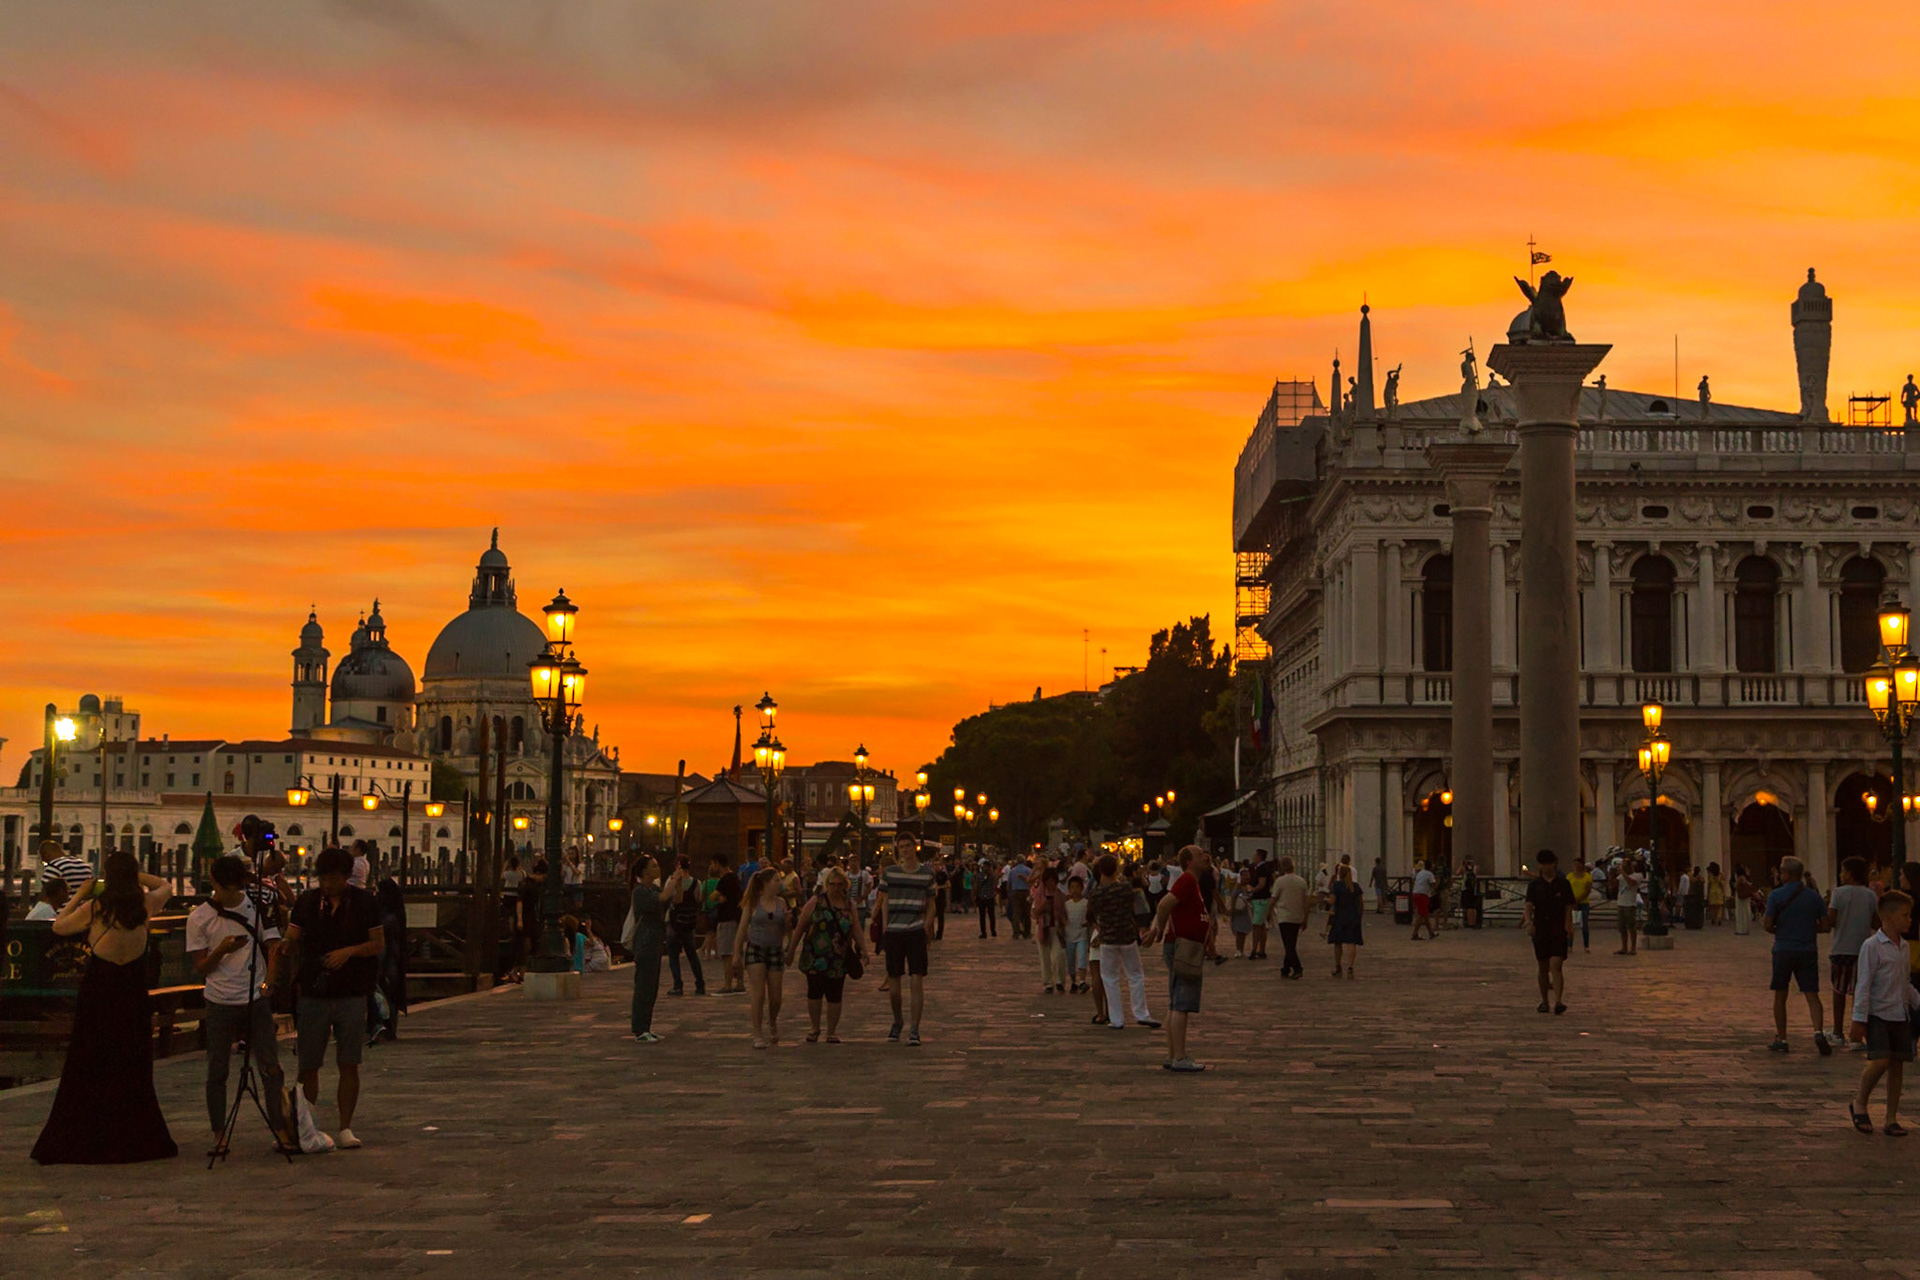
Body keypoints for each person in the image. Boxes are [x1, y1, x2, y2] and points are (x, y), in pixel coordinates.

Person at [31, 851, 178, 1165]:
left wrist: (81, 893)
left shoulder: (97, 907)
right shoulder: (145, 904)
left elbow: (60, 927)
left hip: (101, 985)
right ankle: (132, 1131)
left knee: (91, 1058)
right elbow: (166, 886)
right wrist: (135, 875)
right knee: (132, 1057)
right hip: (132, 985)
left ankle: (90, 1131)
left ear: (109, 877)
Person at [188, 854, 292, 1156]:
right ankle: (219, 1134)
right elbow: (201, 967)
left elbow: (274, 946)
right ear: (216, 883)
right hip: (219, 998)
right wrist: (221, 949)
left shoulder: (258, 908)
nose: (232, 894)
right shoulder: (200, 918)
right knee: (217, 1068)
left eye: (237, 888)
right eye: (227, 888)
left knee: (270, 1065)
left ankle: (280, 1127)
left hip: (255, 996)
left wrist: (268, 983)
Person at [280, 845, 384, 1149]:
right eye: (323, 879)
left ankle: (345, 1127)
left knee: (349, 1061)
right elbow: (293, 937)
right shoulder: (308, 902)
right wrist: (286, 946)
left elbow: (377, 943)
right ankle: (305, 1127)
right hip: (314, 990)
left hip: (352, 990)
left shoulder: (364, 902)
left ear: (347, 876)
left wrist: (348, 952)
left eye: (334, 879)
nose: (327, 885)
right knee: (308, 1063)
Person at [1848, 890, 1920, 1135]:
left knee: (1897, 1065)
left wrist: (1916, 1001)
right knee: (1880, 1060)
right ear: (1888, 917)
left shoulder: (1904, 947)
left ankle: (1891, 1117)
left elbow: (1905, 982)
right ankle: (1860, 1102)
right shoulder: (1872, 946)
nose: (1910, 920)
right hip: (1878, 1013)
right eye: (1905, 915)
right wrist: (1858, 1019)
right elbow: (1864, 984)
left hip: (1900, 1014)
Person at [1146, 845, 1211, 1072]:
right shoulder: (1187, 881)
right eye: (1200, 855)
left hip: (1185, 947)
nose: (1205, 857)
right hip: (1183, 948)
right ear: (1189, 862)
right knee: (1181, 1004)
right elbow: (1164, 904)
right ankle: (1180, 1057)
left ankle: (1174, 1054)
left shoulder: (1191, 882)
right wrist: (1158, 930)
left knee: (1176, 1003)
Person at [1764, 855, 1831, 1054]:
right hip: (1807, 949)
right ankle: (1818, 1031)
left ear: (1786, 874)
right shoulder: (1813, 897)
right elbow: (1826, 926)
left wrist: (1781, 929)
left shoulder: (1776, 896)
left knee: (1780, 995)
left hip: (1783, 949)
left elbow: (1767, 924)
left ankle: (1782, 1038)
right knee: (1812, 995)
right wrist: (1808, 928)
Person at [789, 866, 865, 1043]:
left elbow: (856, 929)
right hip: (815, 955)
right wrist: (791, 950)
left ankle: (831, 1031)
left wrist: (864, 949)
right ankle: (814, 1028)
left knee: (835, 994)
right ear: (826, 884)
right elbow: (801, 926)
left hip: (838, 956)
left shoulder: (849, 905)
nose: (836, 888)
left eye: (840, 884)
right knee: (814, 991)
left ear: (845, 885)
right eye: (832, 884)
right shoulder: (816, 901)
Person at [875, 836, 937, 1045]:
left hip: (915, 930)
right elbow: (884, 900)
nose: (904, 850)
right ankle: (898, 1020)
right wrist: (885, 926)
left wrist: (927, 924)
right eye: (901, 847)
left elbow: (931, 902)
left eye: (908, 846)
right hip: (894, 930)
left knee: (917, 978)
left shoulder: (927, 874)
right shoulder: (890, 873)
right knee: (894, 984)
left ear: (914, 848)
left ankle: (914, 1029)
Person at [1090, 854, 1156, 1030]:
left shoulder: (1096, 893)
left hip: (1107, 938)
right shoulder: (1125, 888)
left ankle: (1116, 1019)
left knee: (1110, 978)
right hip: (1127, 935)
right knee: (1135, 975)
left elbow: (1094, 914)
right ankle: (1141, 1013)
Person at [733, 868, 788, 1048]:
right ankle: (757, 1033)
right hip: (756, 949)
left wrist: (790, 944)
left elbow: (787, 928)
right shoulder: (753, 903)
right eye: (776, 880)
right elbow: (742, 928)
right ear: (766, 883)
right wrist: (736, 953)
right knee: (758, 993)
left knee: (776, 996)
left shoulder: (781, 903)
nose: (779, 883)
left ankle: (772, 1021)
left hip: (775, 950)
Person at [1828, 856, 1878, 1050]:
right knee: (1861, 993)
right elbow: (1876, 922)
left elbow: (1831, 920)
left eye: (1842, 871)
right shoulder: (1870, 895)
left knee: (1839, 991)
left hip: (1841, 948)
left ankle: (1838, 1032)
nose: (1840, 875)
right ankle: (1857, 1035)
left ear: (1849, 873)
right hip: (1863, 949)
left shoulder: (1838, 893)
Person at [1524, 850, 1576, 1015]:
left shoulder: (1563, 884)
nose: (1546, 867)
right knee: (1543, 966)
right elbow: (1528, 906)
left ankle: (1559, 1001)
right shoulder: (1534, 885)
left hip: (1558, 928)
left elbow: (1568, 906)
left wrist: (1569, 925)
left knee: (1556, 964)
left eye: (1549, 863)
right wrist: (1529, 922)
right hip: (1541, 928)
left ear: (1554, 863)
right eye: (1543, 864)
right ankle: (1544, 1000)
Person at [628, 856, 668, 1041]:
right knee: (643, 985)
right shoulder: (640, 892)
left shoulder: (655, 889)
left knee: (652, 986)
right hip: (645, 941)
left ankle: (646, 1026)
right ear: (644, 871)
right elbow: (662, 898)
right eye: (654, 866)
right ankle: (639, 1028)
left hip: (656, 940)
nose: (657, 868)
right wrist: (673, 882)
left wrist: (678, 882)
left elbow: (672, 899)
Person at [662, 856, 706, 997]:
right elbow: (698, 899)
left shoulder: (672, 880)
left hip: (674, 921)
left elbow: (671, 898)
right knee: (692, 954)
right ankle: (700, 984)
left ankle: (678, 985)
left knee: (673, 955)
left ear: (677, 865)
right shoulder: (696, 883)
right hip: (689, 921)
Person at [1271, 856, 1310, 979]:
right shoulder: (1301, 882)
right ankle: (1285, 968)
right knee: (1291, 943)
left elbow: (1273, 899)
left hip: (1284, 916)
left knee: (1288, 945)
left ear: (1282, 867)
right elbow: (1306, 902)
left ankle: (1297, 968)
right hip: (1297, 916)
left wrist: (1267, 912)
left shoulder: (1280, 881)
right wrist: (1306, 918)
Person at [713, 854, 745, 994]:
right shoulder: (735, 878)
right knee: (737, 951)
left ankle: (728, 984)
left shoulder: (725, 880)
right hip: (736, 918)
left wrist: (718, 896)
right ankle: (740, 983)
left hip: (726, 919)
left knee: (727, 953)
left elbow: (712, 897)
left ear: (717, 863)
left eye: (713, 864)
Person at [1326, 861, 1364, 978]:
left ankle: (1338, 966)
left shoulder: (1337, 885)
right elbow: (1361, 903)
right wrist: (1359, 916)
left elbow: (1332, 901)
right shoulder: (1355, 887)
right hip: (1353, 917)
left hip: (1340, 917)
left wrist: (1326, 900)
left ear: (1339, 874)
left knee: (1338, 942)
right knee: (1351, 943)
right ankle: (1350, 968)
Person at [1034, 865, 1068, 993]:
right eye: (1048, 881)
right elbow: (1035, 913)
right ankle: (1048, 982)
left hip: (1057, 928)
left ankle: (1059, 980)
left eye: (1052, 881)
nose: (1050, 884)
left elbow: (1063, 912)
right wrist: (1044, 905)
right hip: (1044, 927)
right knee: (1045, 958)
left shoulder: (1060, 895)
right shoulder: (1040, 894)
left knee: (1058, 955)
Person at [1063, 875, 1091, 993]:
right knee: (1070, 960)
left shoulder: (1086, 903)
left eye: (1077, 887)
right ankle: (1073, 981)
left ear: (1082, 888)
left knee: (1082, 958)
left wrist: (1088, 923)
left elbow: (1090, 917)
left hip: (1082, 935)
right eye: (1072, 887)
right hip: (1069, 935)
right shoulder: (1067, 904)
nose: (1075, 890)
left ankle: (1082, 980)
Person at [1246, 850, 1274, 958]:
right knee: (1261, 925)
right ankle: (1261, 950)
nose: (1253, 857)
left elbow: (1262, 884)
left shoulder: (1262, 868)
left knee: (1256, 925)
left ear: (1259, 856)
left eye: (1255, 855)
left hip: (1260, 899)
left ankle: (1254, 950)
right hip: (1262, 899)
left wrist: (1252, 890)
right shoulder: (1262, 868)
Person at [1616, 859, 1644, 955]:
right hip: (1621, 903)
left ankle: (1633, 947)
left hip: (1630, 904)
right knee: (1622, 927)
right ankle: (1624, 947)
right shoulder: (1620, 876)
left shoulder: (1637, 875)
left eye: (1625, 866)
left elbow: (1632, 883)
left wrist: (1623, 873)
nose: (1623, 868)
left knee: (1631, 926)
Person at [1567, 856, 1594, 953]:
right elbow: (1567, 889)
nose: (1576, 866)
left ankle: (1586, 946)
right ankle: (1569, 945)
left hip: (1583, 902)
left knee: (1584, 925)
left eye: (1578, 864)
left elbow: (1588, 890)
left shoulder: (1587, 876)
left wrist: (1578, 900)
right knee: (1570, 925)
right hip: (1571, 902)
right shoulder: (1570, 876)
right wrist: (1572, 900)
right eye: (1575, 864)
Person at [1007, 856, 1033, 939]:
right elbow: (1031, 881)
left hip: (1015, 892)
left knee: (1016, 913)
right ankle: (1027, 932)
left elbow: (1009, 883)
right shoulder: (1028, 870)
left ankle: (1016, 932)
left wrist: (1009, 894)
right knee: (1026, 913)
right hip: (1026, 891)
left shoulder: (1012, 871)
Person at [1410, 862, 1438, 940]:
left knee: (1425, 915)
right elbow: (1433, 885)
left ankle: (1431, 932)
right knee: (1421, 915)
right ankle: (1414, 933)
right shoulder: (1430, 874)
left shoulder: (1420, 872)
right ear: (1431, 867)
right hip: (1422, 895)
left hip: (1416, 894)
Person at [974, 857, 997, 937]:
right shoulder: (979, 876)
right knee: (982, 916)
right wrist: (975, 895)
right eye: (985, 866)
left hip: (990, 897)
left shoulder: (991, 876)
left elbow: (995, 882)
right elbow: (976, 886)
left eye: (988, 866)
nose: (986, 868)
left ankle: (993, 930)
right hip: (982, 897)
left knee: (991, 915)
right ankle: (983, 932)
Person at [1706, 861, 1728, 926]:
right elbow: (1722, 885)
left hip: (1712, 892)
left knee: (1713, 907)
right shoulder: (1720, 875)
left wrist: (1707, 893)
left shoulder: (1710, 875)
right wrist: (1724, 893)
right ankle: (1718, 918)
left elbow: (1709, 885)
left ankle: (1714, 918)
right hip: (1719, 892)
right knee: (1719, 907)